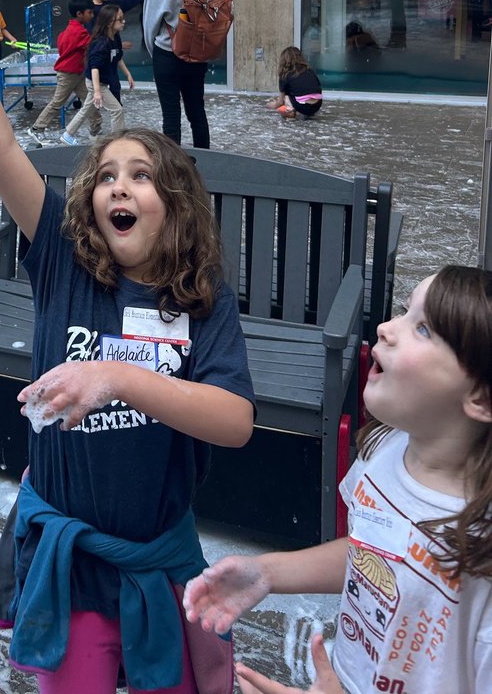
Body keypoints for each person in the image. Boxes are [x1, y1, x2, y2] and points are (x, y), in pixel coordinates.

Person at [0, 0, 255, 694]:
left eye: (142, 175)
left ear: (175, 205)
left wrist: (117, 377)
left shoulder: (200, 297)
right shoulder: (63, 262)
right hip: (71, 561)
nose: (119, 183)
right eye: (107, 175)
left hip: (159, 559)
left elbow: (236, 421)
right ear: (90, 203)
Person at [184, 265, 492, 694]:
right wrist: (267, 573)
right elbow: (375, 552)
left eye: (423, 328)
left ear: (481, 396)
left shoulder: (482, 543)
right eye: (403, 311)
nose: (385, 327)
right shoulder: (385, 452)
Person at [143, 0, 212, 148]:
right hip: (197, 53)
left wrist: (156, 54)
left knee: (171, 117)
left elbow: (150, 23)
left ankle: (173, 171)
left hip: (169, 54)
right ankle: (205, 159)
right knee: (197, 112)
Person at [26, 0, 98, 147]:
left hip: (76, 73)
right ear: (79, 14)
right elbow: (94, 44)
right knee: (58, 102)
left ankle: (96, 130)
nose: (91, 15)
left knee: (90, 101)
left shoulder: (70, 29)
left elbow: (63, 43)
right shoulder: (79, 33)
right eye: (89, 13)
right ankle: (36, 128)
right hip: (68, 74)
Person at [61, 5, 128, 145]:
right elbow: (94, 68)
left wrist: (128, 74)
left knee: (87, 109)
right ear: (110, 22)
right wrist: (97, 91)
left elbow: (118, 57)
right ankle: (118, 142)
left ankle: (68, 134)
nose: (123, 22)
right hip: (96, 82)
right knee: (117, 110)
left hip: (100, 82)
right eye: (120, 20)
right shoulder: (101, 43)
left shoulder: (115, 38)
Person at [266, 47, 323, 119]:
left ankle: (290, 112)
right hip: (317, 105)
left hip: (302, 106)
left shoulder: (285, 74)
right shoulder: (309, 70)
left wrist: (270, 105)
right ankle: (309, 113)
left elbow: (280, 102)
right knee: (296, 91)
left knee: (286, 95)